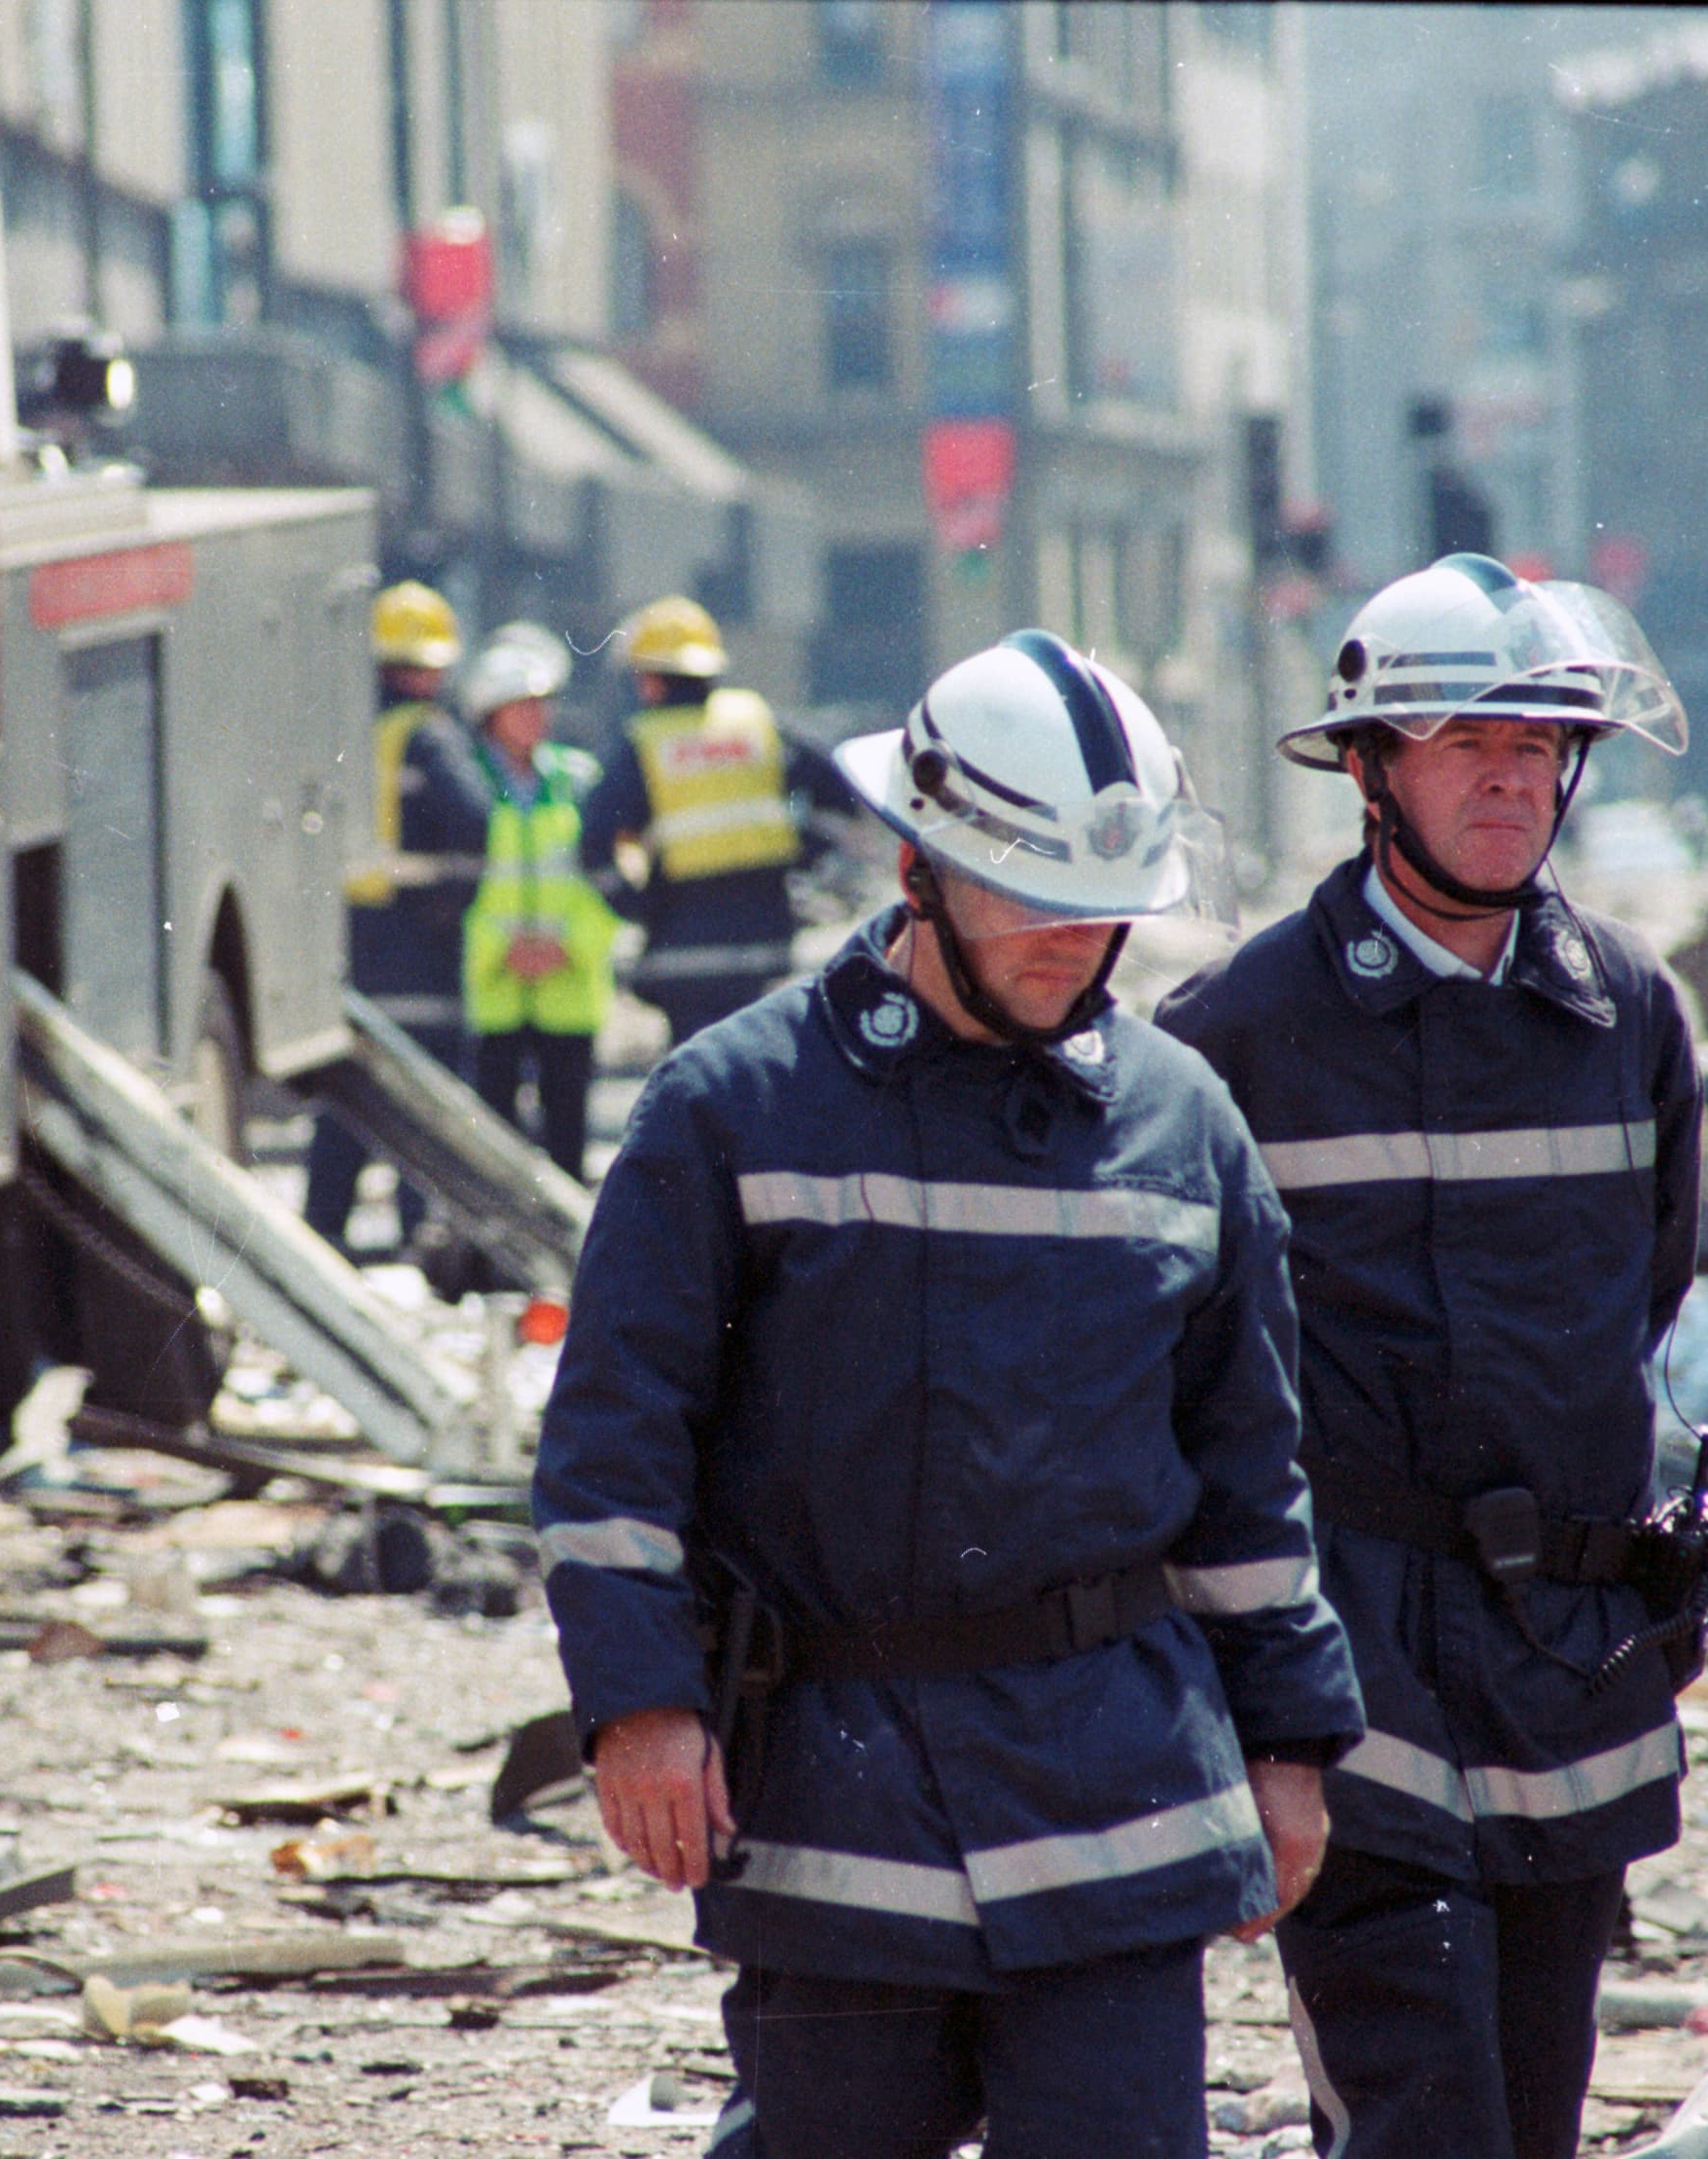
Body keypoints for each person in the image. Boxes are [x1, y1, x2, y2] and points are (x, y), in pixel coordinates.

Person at [533, 630, 1365, 2158]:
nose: (1075, 941)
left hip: (1117, 1790)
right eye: (1031, 895)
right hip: (840, 1804)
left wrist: (1291, 1742)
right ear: (917, 869)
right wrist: (639, 1706)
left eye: (1105, 907)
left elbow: (1249, 1474)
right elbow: (614, 1438)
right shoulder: (732, 1107)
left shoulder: (1186, 1129)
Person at [1154, 555, 1708, 2159]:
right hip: (1355, 1668)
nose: (1509, 775)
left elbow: (1642, 1299)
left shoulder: (1627, 1016)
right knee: (1420, 2119)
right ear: (1364, 767)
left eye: (1538, 744)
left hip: (1568, 1667)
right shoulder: (1238, 1037)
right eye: (1465, 738)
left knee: (1533, 2117)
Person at [304, 580, 493, 1252]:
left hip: (356, 945)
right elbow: (476, 818)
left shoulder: (344, 731)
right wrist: (453, 903)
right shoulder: (429, 736)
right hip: (422, 948)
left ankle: (322, 1233)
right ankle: (422, 1238)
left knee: (348, 1100)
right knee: (423, 1102)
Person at [583, 595, 849, 1049]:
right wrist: (801, 854)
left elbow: (593, 842)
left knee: (700, 1083)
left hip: (686, 950)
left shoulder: (643, 743)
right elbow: (840, 788)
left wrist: (636, 904)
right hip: (766, 943)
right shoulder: (758, 723)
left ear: (648, 681)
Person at [456, 621, 619, 1184]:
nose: (536, 716)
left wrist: (569, 945)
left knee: (568, 1134)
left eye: (541, 704)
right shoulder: (465, 783)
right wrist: (500, 950)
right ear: (489, 714)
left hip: (568, 981)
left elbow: (608, 878)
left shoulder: (580, 780)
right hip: (492, 985)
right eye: (520, 705)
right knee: (491, 1132)